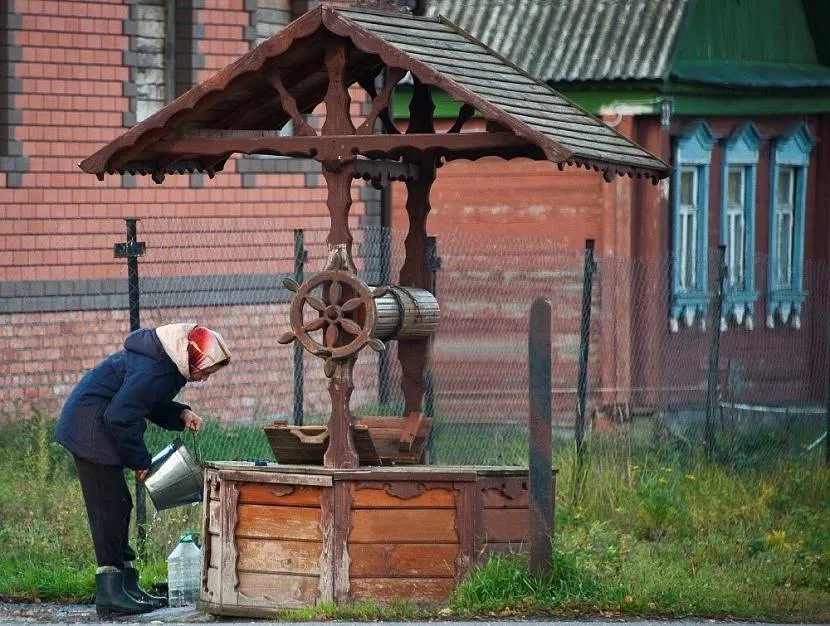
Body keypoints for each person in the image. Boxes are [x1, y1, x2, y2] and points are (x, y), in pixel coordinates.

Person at [55, 323, 231, 617]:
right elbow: (121, 416)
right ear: (193, 358)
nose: (204, 378)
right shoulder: (157, 368)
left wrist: (180, 412)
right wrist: (141, 461)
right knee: (108, 507)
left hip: (98, 422)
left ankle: (127, 584)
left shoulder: (165, 363)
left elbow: (145, 401)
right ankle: (110, 593)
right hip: (88, 427)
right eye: (206, 370)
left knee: (120, 505)